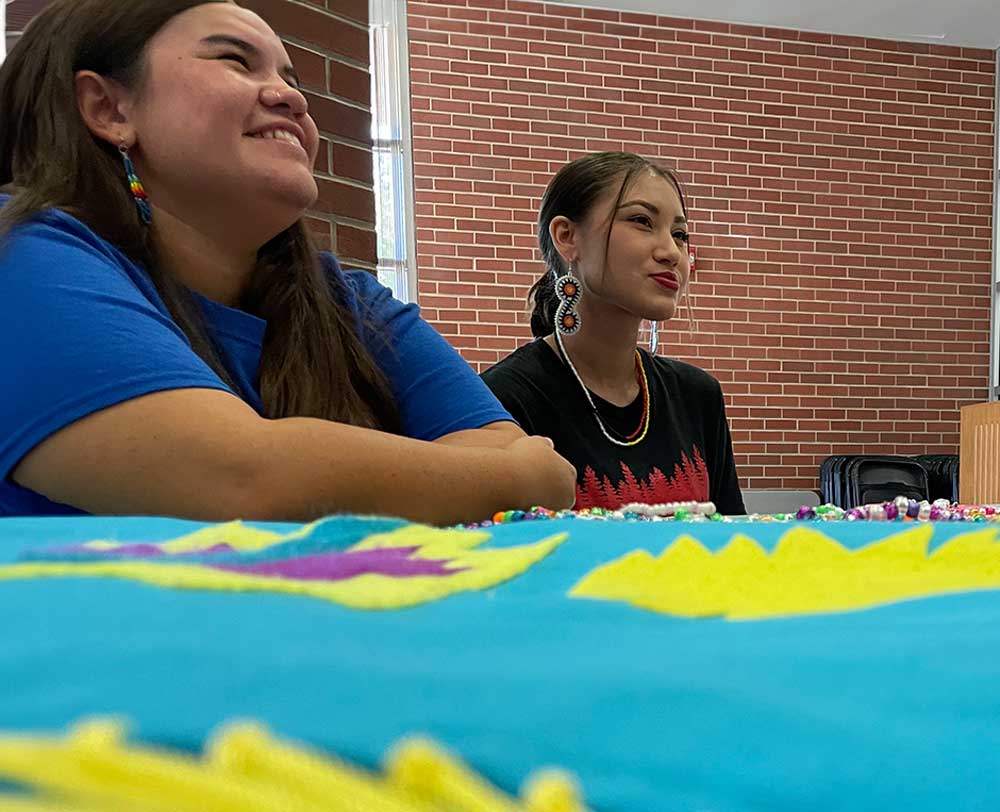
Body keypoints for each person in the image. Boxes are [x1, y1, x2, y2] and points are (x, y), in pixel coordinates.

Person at [0, 0, 576, 523]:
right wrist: (516, 478)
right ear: (108, 108)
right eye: (235, 61)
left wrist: (482, 474)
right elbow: (236, 477)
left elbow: (495, 438)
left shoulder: (350, 301)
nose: (291, 98)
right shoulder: (19, 251)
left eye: (289, 79)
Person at [481, 152, 745, 514]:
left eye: (680, 234)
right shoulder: (503, 400)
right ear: (567, 236)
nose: (671, 252)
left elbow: (734, 542)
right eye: (641, 220)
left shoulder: (698, 397)